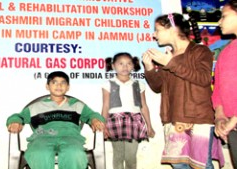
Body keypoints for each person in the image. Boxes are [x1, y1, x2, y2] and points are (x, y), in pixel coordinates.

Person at [142, 13, 224, 169]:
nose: (154, 34)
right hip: (173, 118)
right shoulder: (169, 56)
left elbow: (203, 78)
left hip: (198, 118)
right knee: (179, 165)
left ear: (172, 29)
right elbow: (157, 87)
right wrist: (150, 68)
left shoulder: (200, 51)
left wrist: (170, 63)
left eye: (157, 30)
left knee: (201, 165)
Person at [6, 71, 105, 169]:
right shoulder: (35, 107)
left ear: (68, 87)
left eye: (63, 82)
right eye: (54, 82)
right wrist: (15, 122)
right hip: (42, 137)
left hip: (70, 137)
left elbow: (91, 115)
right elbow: (19, 116)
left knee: (75, 153)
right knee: (39, 153)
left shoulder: (77, 105)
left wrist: (95, 120)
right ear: (47, 86)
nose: (59, 85)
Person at [102, 52, 155, 169]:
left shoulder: (138, 84)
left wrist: (149, 126)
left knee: (131, 156)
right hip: (115, 122)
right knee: (118, 156)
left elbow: (144, 106)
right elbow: (105, 106)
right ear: (113, 66)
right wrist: (103, 125)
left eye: (128, 64)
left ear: (133, 66)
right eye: (121, 64)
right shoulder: (108, 84)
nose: (125, 67)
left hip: (134, 122)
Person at [212, 0, 237, 168]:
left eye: (224, 16)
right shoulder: (226, 52)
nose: (219, 22)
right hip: (232, 128)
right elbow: (218, 89)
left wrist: (233, 120)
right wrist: (220, 116)